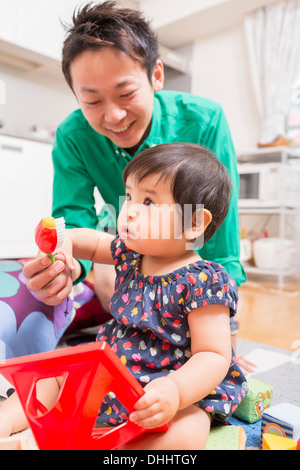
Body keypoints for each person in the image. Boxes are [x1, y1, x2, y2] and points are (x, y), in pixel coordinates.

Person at [0, 143, 248, 450]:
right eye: (129, 196)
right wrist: (65, 243)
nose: (129, 210)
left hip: (174, 378)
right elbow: (88, 242)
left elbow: (213, 355)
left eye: (148, 201)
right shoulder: (131, 253)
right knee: (53, 375)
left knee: (188, 428)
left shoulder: (205, 280)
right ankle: (7, 421)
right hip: (114, 361)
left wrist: (175, 390)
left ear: (193, 223)